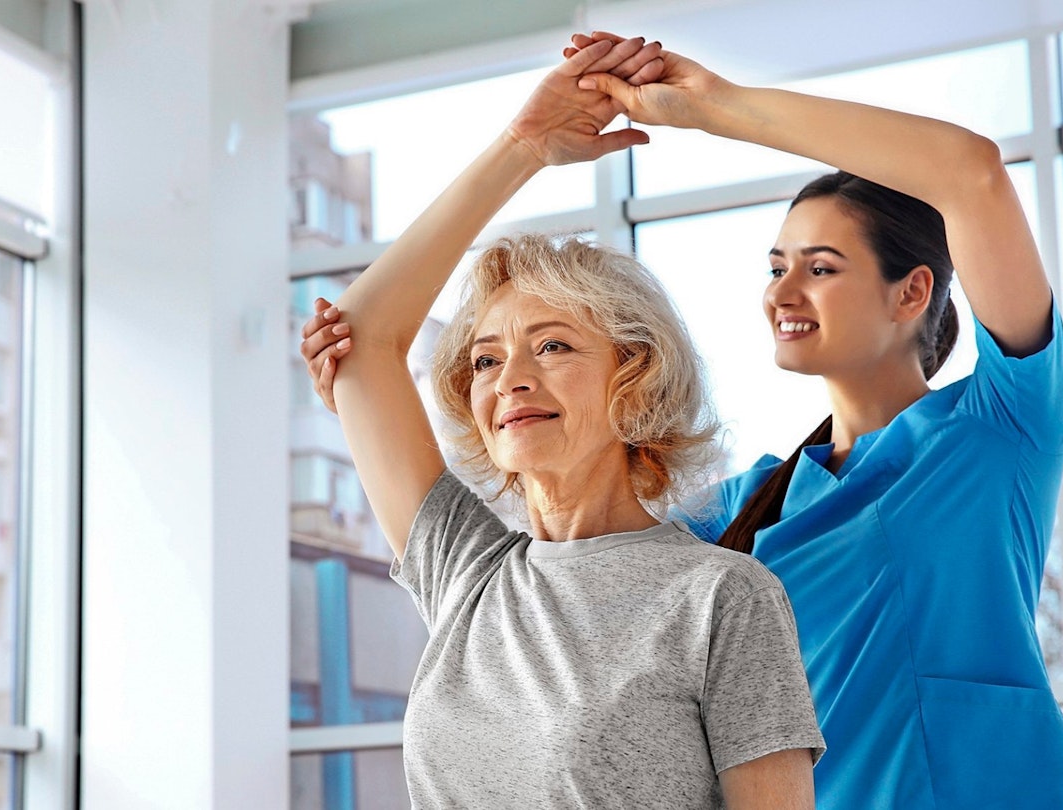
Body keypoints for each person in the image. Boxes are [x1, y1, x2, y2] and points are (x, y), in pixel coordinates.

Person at [304, 36, 1063, 808]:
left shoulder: (999, 432)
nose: (782, 293)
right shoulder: (737, 514)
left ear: (912, 291)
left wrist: (716, 108)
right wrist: (524, 146)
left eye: (820, 268)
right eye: (775, 267)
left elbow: (971, 174)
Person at [311, 36, 825, 809]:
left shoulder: (721, 596)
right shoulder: (466, 570)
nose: (511, 378)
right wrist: (523, 147)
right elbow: (359, 338)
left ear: (635, 373)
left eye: (552, 346)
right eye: (486, 360)